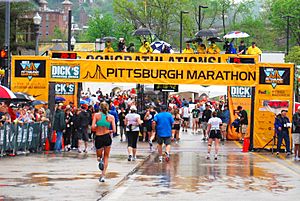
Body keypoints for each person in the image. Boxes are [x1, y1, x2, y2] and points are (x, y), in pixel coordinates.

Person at [92, 102, 116, 182]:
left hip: (98, 136)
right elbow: (114, 130)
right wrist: (108, 130)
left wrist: (98, 128)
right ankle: (103, 175)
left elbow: (92, 127)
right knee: (106, 156)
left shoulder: (96, 115)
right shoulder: (111, 117)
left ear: (100, 108)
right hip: (107, 137)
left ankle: (100, 160)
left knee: (99, 156)